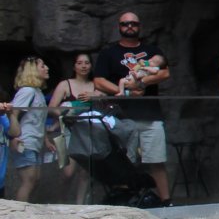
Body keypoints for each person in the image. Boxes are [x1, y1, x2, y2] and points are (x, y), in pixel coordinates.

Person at [93, 11, 171, 204]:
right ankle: (128, 200)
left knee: (156, 160)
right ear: (119, 27)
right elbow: (99, 81)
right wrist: (127, 90)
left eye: (134, 24)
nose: (130, 27)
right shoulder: (108, 53)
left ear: (139, 27)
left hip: (150, 114)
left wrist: (141, 83)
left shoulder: (152, 51)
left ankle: (166, 201)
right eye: (125, 24)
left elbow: (164, 73)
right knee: (124, 161)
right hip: (122, 117)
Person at [48, 51, 100, 203]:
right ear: (74, 66)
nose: (83, 66)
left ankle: (80, 205)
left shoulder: (95, 85)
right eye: (79, 63)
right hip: (69, 130)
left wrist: (97, 96)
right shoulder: (65, 84)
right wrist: (67, 113)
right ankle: (61, 201)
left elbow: (106, 104)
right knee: (68, 172)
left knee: (85, 172)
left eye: (87, 62)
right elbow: (51, 107)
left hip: (88, 131)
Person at [8, 56, 53, 202]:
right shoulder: (27, 91)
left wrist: (46, 140)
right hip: (25, 140)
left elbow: (39, 120)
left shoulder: (37, 92)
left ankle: (28, 211)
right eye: (42, 66)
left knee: (35, 178)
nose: (47, 68)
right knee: (29, 179)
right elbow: (13, 113)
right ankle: (21, 215)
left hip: (35, 141)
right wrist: (13, 137)